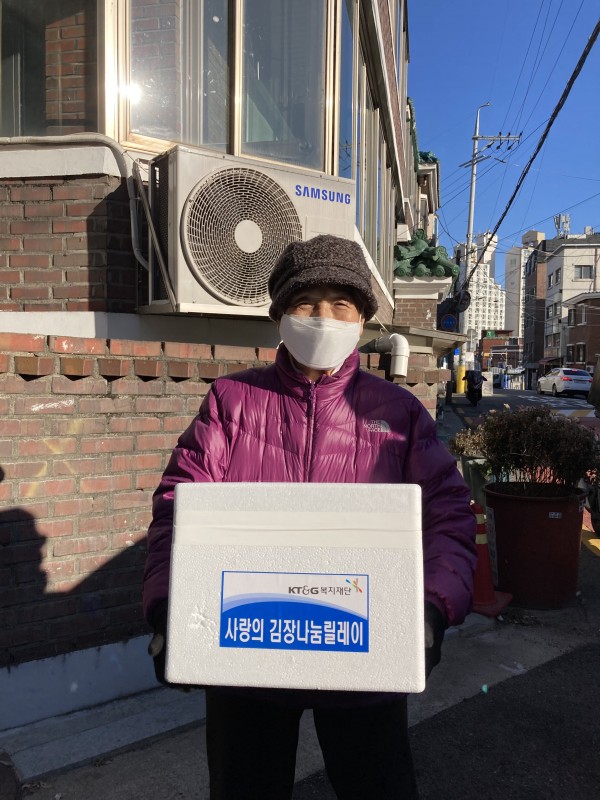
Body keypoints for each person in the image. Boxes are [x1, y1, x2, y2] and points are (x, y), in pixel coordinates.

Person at [143, 234, 477, 800]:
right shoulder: (231, 401)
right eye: (306, 303)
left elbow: (447, 512)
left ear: (363, 318)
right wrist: (168, 606)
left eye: (341, 304)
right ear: (280, 315)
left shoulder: (397, 412)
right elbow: (180, 505)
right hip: (248, 646)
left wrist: (430, 607)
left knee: (378, 787)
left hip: (364, 641)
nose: (323, 318)